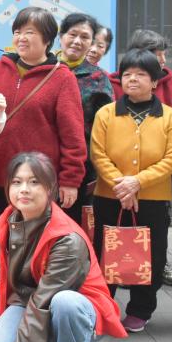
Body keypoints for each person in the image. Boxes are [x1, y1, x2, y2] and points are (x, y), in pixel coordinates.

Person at [0, 152, 125, 342]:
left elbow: (45, 301)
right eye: (17, 182)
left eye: (34, 182)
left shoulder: (67, 239)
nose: (24, 190)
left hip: (76, 308)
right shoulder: (12, 218)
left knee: (64, 304)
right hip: (31, 299)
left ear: (50, 188)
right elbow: (24, 265)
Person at [0, 8, 86, 276]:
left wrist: (71, 179)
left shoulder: (61, 77)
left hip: (35, 183)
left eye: (30, 32)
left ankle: (30, 293)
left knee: (33, 247)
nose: (21, 38)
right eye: (17, 32)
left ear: (47, 39)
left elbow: (73, 135)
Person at [90, 49, 172, 333]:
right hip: (109, 196)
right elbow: (98, 154)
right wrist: (122, 185)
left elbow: (171, 158)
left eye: (141, 74)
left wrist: (137, 182)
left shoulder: (170, 117)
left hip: (153, 198)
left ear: (154, 81)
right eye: (127, 74)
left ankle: (141, 309)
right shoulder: (106, 113)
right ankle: (104, 307)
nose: (132, 79)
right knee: (105, 251)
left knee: (152, 255)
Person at [110, 28, 172, 288]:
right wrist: (126, 182)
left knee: (156, 224)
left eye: (163, 53)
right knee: (121, 224)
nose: (162, 59)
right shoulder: (116, 86)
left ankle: (157, 267)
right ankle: (123, 267)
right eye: (156, 53)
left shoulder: (168, 81)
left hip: (158, 173)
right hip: (119, 177)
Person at [57, 14, 114, 219]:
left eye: (84, 37)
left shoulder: (98, 78)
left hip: (80, 167)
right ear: (61, 36)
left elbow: (107, 128)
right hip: (41, 163)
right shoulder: (46, 68)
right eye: (72, 34)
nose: (77, 41)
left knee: (72, 225)